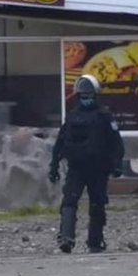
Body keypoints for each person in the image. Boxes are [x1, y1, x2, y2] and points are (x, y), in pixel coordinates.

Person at [49, 74, 125, 253]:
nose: (86, 99)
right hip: (85, 169)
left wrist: (117, 164)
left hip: (91, 168)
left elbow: (116, 143)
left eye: (88, 96)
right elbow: (61, 142)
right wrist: (53, 166)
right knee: (79, 203)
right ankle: (78, 240)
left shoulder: (98, 116)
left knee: (84, 203)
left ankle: (85, 240)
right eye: (83, 96)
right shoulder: (87, 116)